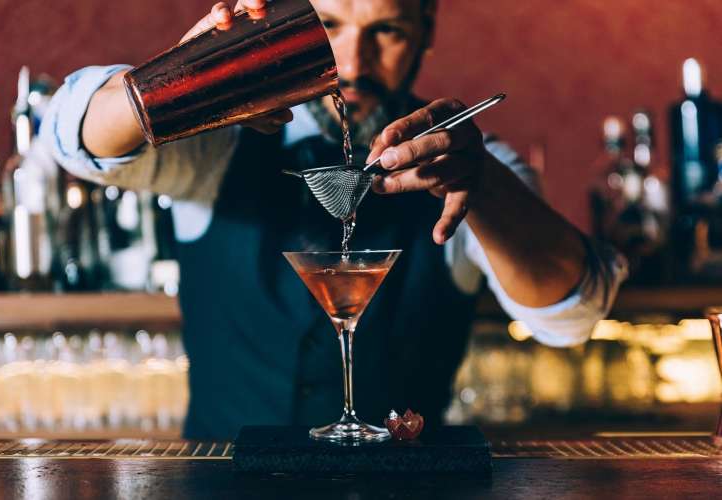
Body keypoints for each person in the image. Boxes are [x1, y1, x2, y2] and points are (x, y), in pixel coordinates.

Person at [42, 0, 627, 439]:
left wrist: (484, 182)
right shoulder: (213, 148)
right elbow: (72, 138)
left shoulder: (478, 166)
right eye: (327, 27)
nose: (351, 62)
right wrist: (183, 82)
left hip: (408, 491)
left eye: (387, 31)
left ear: (426, 29)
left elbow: (571, 317)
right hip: (222, 489)